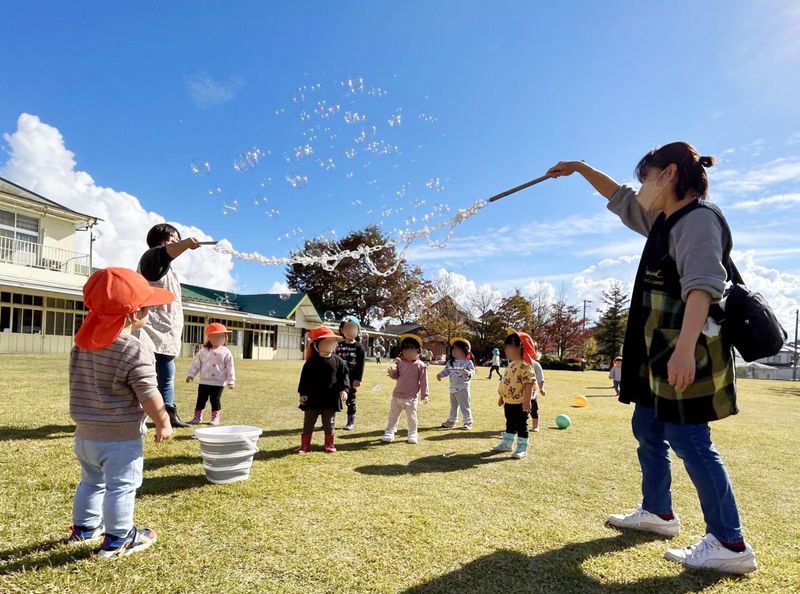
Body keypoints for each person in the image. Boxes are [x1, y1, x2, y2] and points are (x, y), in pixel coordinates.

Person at [546, 142, 757, 574]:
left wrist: (682, 352)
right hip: (657, 349)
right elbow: (620, 197)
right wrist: (581, 167)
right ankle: (658, 513)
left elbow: (703, 286)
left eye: (645, 177)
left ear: (669, 174)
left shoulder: (698, 219)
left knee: (691, 441)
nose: (639, 186)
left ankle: (730, 543)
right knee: (647, 425)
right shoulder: (664, 218)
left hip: (688, 348)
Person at [68, 268, 174, 558]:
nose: (150, 311)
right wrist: (163, 421)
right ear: (131, 314)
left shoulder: (81, 345)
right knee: (121, 486)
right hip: (119, 438)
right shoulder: (134, 349)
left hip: (85, 435)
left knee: (91, 481)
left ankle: (85, 529)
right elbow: (149, 393)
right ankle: (119, 539)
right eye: (147, 307)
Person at [137, 223, 201, 428]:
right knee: (144, 375)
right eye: (171, 237)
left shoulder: (169, 268)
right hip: (148, 329)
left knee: (166, 376)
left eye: (177, 238)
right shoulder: (151, 258)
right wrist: (185, 244)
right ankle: (140, 415)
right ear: (159, 239)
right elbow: (166, 253)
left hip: (166, 332)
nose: (175, 241)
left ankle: (168, 414)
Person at [296, 326, 349, 454]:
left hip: (330, 400)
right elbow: (304, 379)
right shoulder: (311, 362)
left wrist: (344, 390)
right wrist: (303, 393)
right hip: (312, 399)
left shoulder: (339, 362)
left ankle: (329, 444)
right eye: (327, 342)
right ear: (317, 345)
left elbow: (344, 378)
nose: (330, 345)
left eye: (332, 342)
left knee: (329, 423)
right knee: (308, 423)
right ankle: (305, 445)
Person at [492, 331, 536, 459]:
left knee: (522, 425)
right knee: (509, 423)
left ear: (520, 348)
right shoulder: (510, 365)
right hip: (509, 402)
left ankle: (522, 447)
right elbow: (505, 383)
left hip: (521, 403)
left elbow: (529, 384)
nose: (506, 349)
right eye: (505, 347)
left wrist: (527, 401)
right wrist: (502, 396)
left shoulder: (525, 367)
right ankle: (507, 443)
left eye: (509, 346)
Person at [382, 334, 429, 444]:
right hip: (397, 395)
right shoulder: (400, 363)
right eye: (405, 350)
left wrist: (425, 395)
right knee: (393, 416)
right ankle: (390, 432)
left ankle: (413, 433)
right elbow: (397, 376)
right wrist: (392, 374)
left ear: (418, 351)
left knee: (412, 418)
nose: (408, 353)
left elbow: (424, 382)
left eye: (411, 350)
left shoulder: (421, 365)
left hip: (411, 397)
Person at [187, 323, 236, 426]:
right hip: (204, 381)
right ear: (209, 338)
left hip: (218, 382)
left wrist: (231, 381)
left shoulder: (226, 352)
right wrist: (191, 375)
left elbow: (230, 367)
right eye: (216, 336)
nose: (219, 339)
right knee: (201, 399)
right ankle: (197, 417)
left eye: (222, 336)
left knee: (215, 400)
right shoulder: (203, 351)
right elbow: (196, 364)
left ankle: (215, 418)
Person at [437, 337, 476, 430]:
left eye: (458, 350)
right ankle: (452, 420)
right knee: (453, 406)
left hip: (463, 388)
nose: (455, 351)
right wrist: (440, 375)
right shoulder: (451, 362)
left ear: (465, 351)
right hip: (453, 388)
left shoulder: (468, 362)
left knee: (464, 406)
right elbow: (446, 371)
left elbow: (473, 371)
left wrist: (469, 373)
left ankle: (468, 422)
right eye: (453, 349)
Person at [336, 315, 365, 431]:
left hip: (351, 378)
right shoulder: (339, 345)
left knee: (350, 399)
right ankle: (329, 419)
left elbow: (361, 365)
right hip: (337, 377)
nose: (349, 330)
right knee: (333, 398)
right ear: (342, 330)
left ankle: (350, 421)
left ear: (358, 331)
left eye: (353, 328)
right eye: (347, 328)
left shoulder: (359, 347)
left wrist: (358, 379)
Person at [531, 355, 545, 432]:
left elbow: (540, 378)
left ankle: (535, 426)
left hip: (532, 392)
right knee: (519, 410)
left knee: (534, 409)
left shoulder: (535, 365)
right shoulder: (518, 363)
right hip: (519, 392)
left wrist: (541, 388)